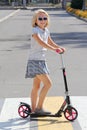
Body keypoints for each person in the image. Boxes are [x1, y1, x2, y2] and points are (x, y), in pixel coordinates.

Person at [25, 9, 65, 114]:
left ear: (47, 20)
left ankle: (33, 110)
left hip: (41, 60)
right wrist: (54, 50)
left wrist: (59, 47)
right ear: (35, 20)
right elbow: (42, 43)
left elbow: (50, 42)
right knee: (48, 84)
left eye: (45, 18)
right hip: (35, 61)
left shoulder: (46, 30)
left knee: (36, 86)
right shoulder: (35, 31)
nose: (43, 20)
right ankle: (39, 108)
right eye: (40, 18)